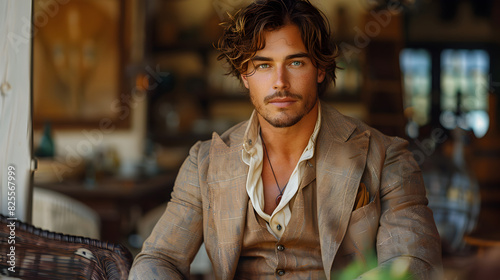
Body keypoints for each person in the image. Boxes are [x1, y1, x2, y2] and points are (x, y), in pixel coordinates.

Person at [129, 0, 443, 279]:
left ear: (320, 69)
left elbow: (413, 263)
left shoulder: (388, 157)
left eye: (295, 62)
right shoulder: (205, 161)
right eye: (263, 64)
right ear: (244, 74)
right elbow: (158, 258)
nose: (280, 83)